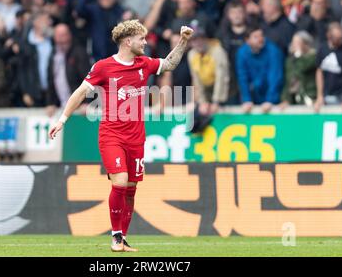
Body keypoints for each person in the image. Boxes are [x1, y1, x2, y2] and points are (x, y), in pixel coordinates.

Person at [49, 20, 194, 252]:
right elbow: (79, 93)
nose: (145, 43)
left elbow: (169, 64)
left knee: (131, 188)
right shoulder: (103, 67)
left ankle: (122, 238)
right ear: (128, 41)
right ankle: (115, 237)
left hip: (136, 137)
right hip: (111, 135)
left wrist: (184, 41)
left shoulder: (144, 64)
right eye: (141, 39)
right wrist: (62, 119)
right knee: (120, 182)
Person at [236, 25, 284, 113]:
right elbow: (243, 77)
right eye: (256, 37)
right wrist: (246, 99)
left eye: (261, 35)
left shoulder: (273, 51)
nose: (260, 39)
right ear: (247, 41)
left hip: (272, 96)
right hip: (254, 95)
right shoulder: (242, 53)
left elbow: (275, 77)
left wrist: (270, 100)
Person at [187, 25, 230, 114]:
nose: (198, 42)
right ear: (190, 43)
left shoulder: (217, 51)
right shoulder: (191, 55)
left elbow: (221, 78)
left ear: (206, 39)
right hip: (208, 93)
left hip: (226, 93)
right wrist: (202, 101)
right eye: (194, 40)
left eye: (201, 38)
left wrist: (216, 101)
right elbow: (196, 80)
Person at [280, 31, 317, 108]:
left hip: (309, 97)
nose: (293, 45)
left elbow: (301, 69)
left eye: (297, 43)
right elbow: (288, 79)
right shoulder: (290, 60)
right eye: (293, 42)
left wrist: (298, 54)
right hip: (293, 98)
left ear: (306, 44)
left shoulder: (313, 56)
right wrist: (285, 99)